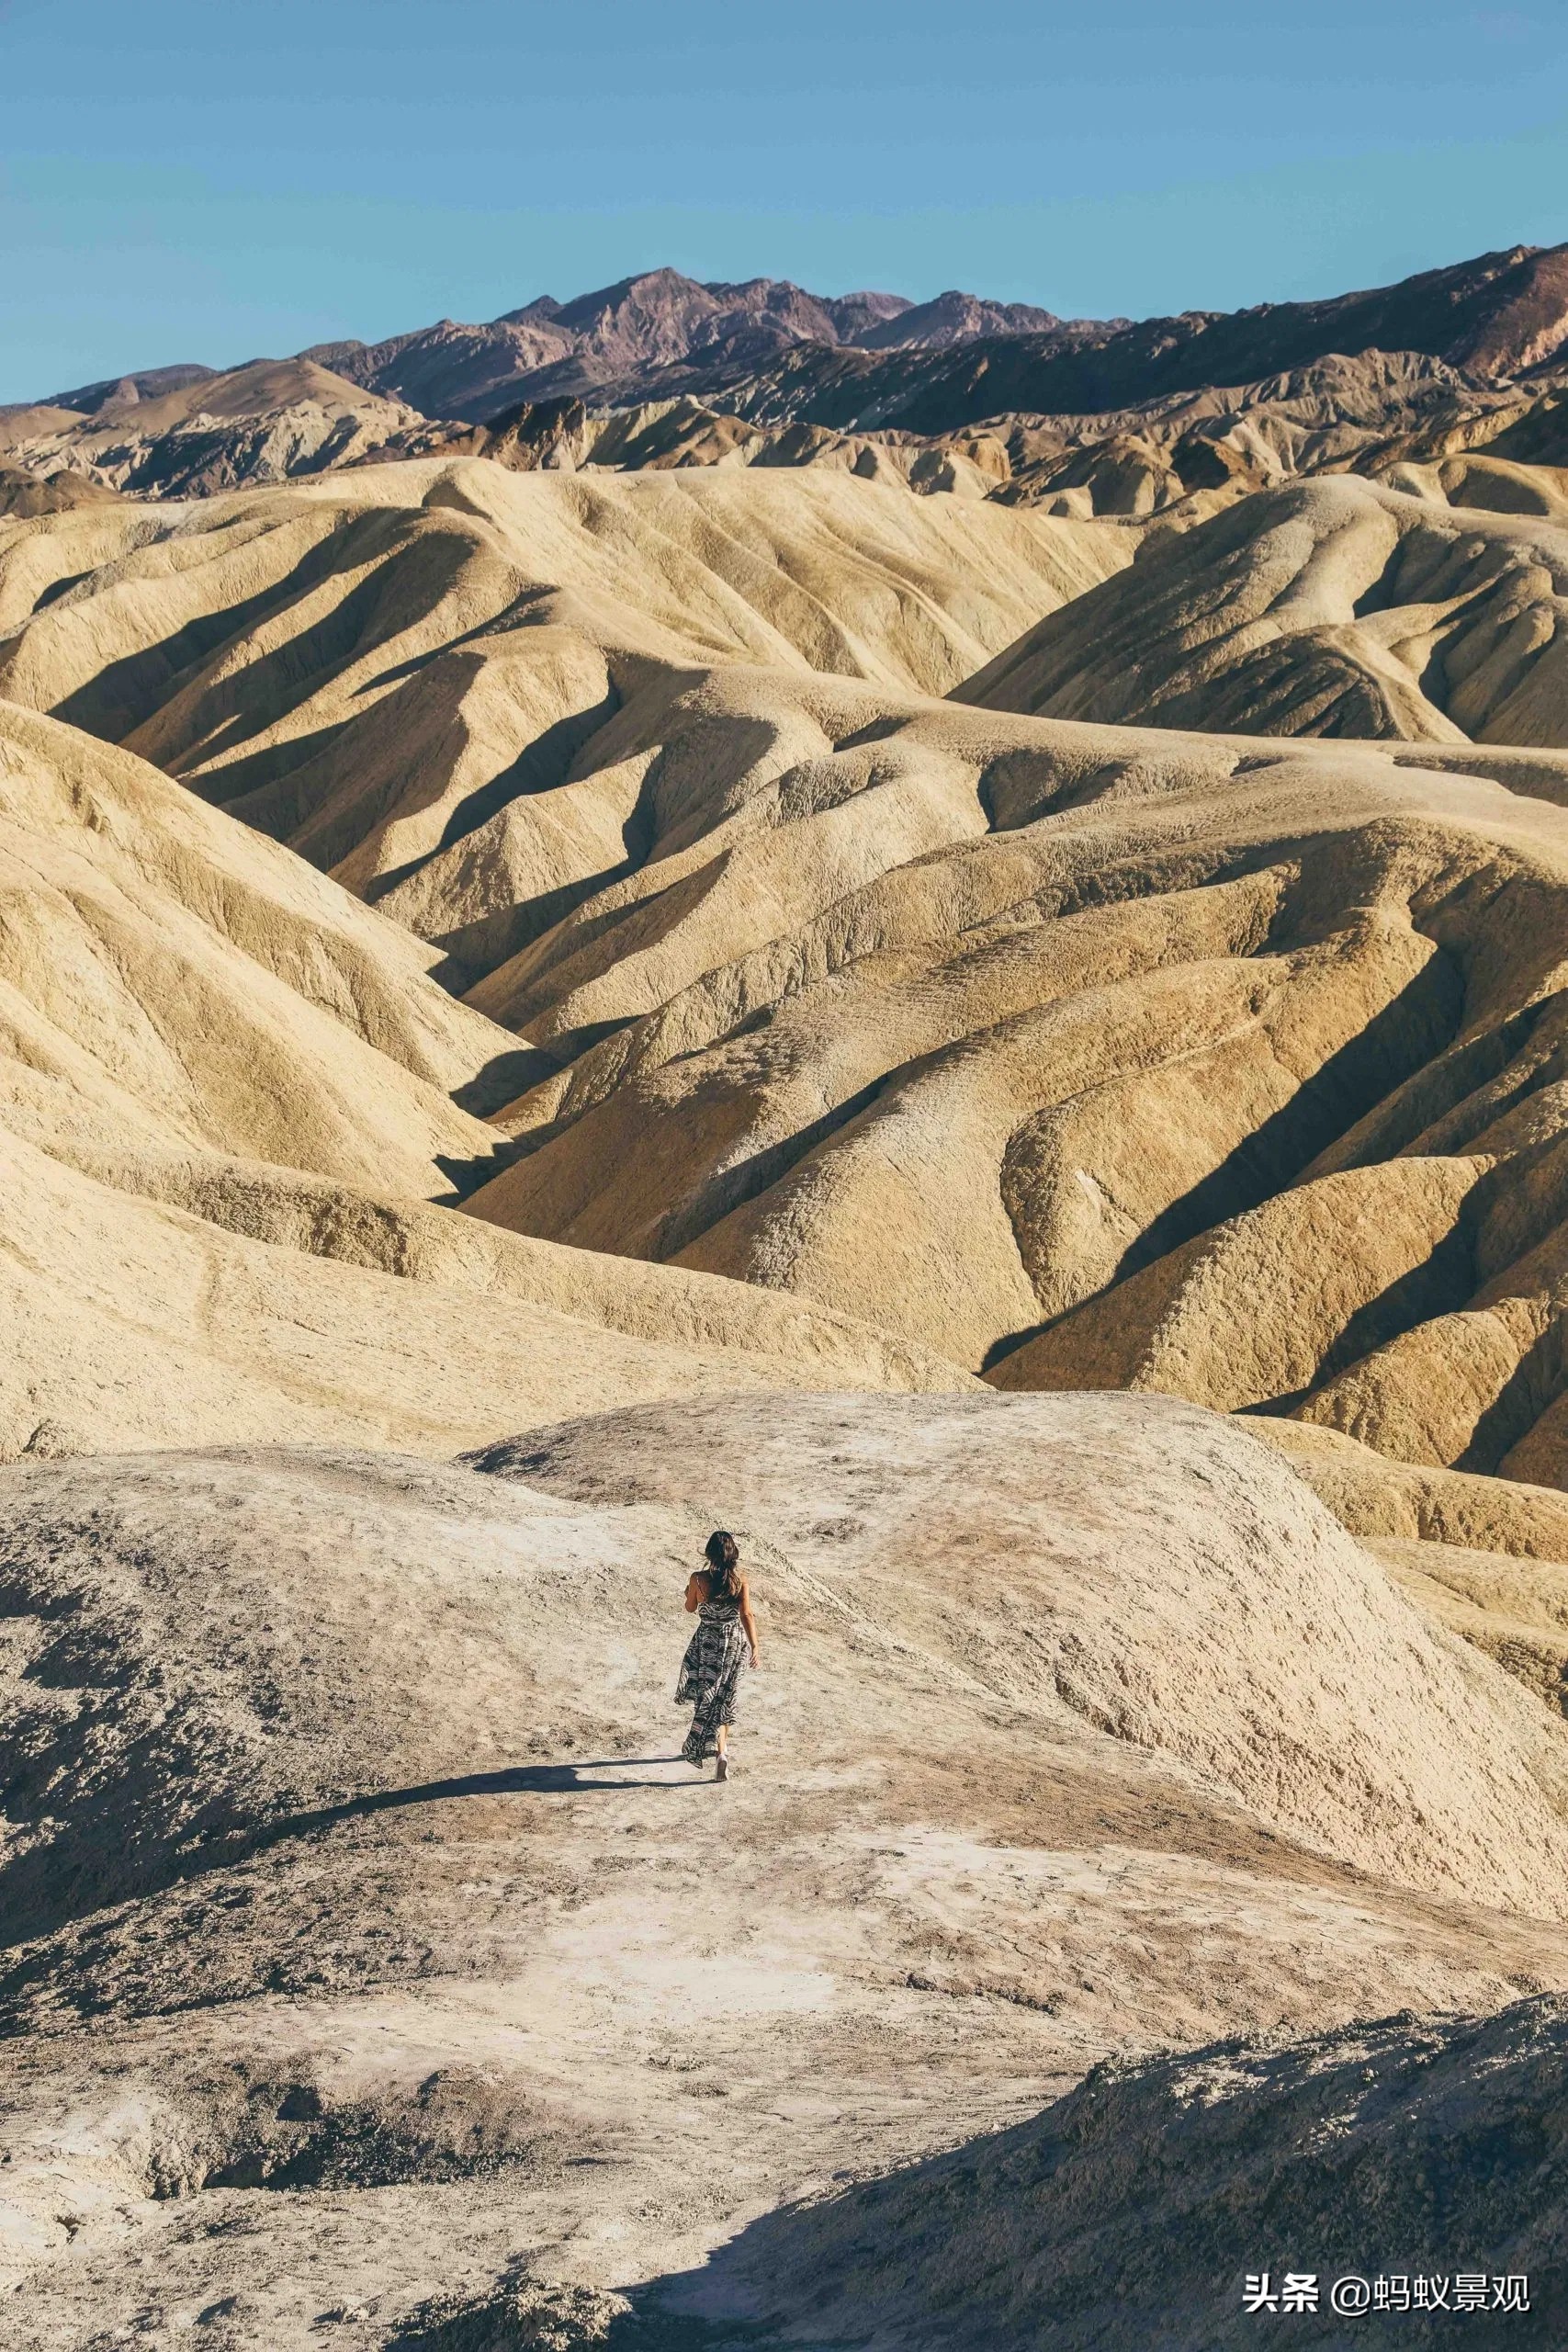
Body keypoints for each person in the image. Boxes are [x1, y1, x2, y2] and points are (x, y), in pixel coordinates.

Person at [676, 1530, 759, 1779]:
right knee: (726, 1696)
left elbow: (690, 1608)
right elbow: (747, 1615)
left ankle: (715, 1747)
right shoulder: (740, 1580)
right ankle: (722, 1752)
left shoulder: (698, 1578)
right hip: (733, 1643)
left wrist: (689, 1592)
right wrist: (755, 1646)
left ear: (709, 1553)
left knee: (708, 1695)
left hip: (707, 1643)